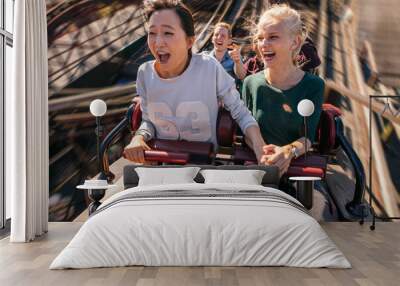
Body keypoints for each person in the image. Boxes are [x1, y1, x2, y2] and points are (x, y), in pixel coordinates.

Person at [124, 0, 267, 164]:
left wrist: (259, 147)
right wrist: (139, 137)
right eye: (152, 33)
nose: (157, 42)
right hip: (162, 166)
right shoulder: (144, 73)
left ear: (189, 41)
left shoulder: (209, 67)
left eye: (168, 33)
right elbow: (149, 121)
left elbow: (241, 113)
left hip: (204, 168)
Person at [242, 4, 324, 176]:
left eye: (272, 37)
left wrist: (287, 152)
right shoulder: (250, 83)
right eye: (260, 38)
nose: (263, 44)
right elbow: (247, 129)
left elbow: (307, 138)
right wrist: (264, 153)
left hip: (297, 167)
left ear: (295, 42)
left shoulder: (314, 86)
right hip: (257, 164)